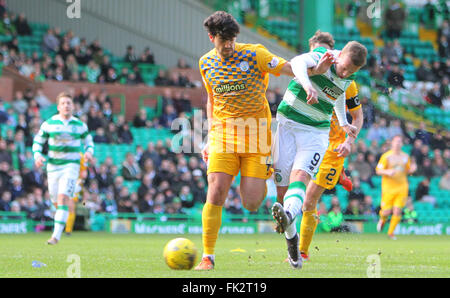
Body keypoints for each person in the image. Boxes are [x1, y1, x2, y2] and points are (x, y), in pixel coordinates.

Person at [194, 11, 294, 271]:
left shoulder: (255, 54)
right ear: (211, 37)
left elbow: (288, 68)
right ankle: (208, 257)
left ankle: (266, 175)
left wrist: (314, 69)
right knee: (215, 191)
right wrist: (208, 135)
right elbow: (211, 100)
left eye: (231, 40)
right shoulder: (205, 63)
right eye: (222, 40)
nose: (228, 45)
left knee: (251, 203)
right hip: (223, 135)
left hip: (257, 137)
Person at [271, 33, 366, 268]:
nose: (344, 74)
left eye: (350, 72)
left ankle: (301, 247)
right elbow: (296, 63)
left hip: (318, 135)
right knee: (283, 193)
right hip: (288, 123)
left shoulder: (348, 77)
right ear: (339, 54)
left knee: (304, 185)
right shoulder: (322, 56)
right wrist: (307, 83)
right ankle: (293, 245)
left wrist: (345, 126)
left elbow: (339, 92)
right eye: (343, 68)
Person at [32, 92, 94, 245]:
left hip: (71, 166)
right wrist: (37, 155)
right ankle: (59, 228)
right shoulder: (49, 123)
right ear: (58, 107)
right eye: (64, 103)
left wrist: (89, 152)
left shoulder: (79, 125)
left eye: (69, 103)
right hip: (53, 166)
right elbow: (38, 141)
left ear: (73, 106)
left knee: (63, 198)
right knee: (55, 200)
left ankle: (56, 236)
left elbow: (89, 141)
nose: (66, 105)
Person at [376, 135, 416, 240]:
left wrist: (412, 169)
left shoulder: (405, 157)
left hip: (402, 187)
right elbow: (378, 170)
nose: (398, 143)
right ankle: (383, 219)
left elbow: (408, 170)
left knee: (397, 211)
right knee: (386, 212)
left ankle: (391, 233)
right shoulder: (386, 156)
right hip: (388, 188)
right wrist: (387, 171)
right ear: (392, 143)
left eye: (400, 141)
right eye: (396, 141)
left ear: (402, 144)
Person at [65, 152, 88, 236]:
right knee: (70, 209)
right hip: (70, 185)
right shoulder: (79, 155)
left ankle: (68, 230)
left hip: (73, 187)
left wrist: (84, 203)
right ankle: (67, 230)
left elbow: (85, 194)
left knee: (71, 209)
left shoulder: (79, 155)